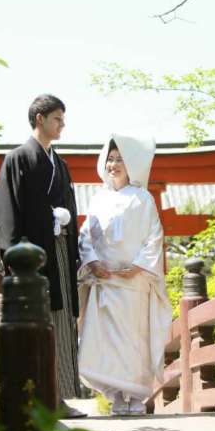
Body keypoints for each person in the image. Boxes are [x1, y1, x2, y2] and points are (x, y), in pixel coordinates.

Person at [0, 94, 85, 417]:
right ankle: (37, 401)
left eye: (63, 119)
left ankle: (58, 398)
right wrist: (16, 254)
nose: (62, 125)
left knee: (61, 322)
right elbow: (8, 215)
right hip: (30, 258)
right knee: (36, 323)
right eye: (57, 118)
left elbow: (69, 208)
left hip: (58, 252)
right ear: (39, 119)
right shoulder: (18, 159)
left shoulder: (59, 163)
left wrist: (66, 224)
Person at [77, 135, 172, 415]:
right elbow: (85, 237)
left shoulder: (143, 198)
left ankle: (136, 397)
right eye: (110, 159)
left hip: (134, 282)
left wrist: (140, 267)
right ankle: (116, 395)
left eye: (119, 159)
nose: (113, 164)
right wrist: (92, 262)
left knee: (134, 340)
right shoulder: (98, 199)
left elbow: (154, 236)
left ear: (130, 165)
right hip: (105, 281)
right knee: (105, 341)